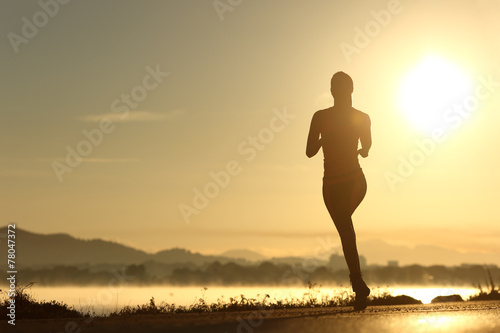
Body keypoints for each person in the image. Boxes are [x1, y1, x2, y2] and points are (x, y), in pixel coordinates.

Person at [306, 71, 372, 311]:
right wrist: (324, 140)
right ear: (332, 91)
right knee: (345, 230)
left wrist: (363, 151)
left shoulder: (362, 117)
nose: (342, 92)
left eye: (345, 88)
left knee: (345, 227)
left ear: (352, 90)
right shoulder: (320, 117)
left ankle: (358, 283)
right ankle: (358, 285)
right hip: (331, 185)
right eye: (337, 88)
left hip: (355, 181)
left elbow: (367, 143)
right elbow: (309, 151)